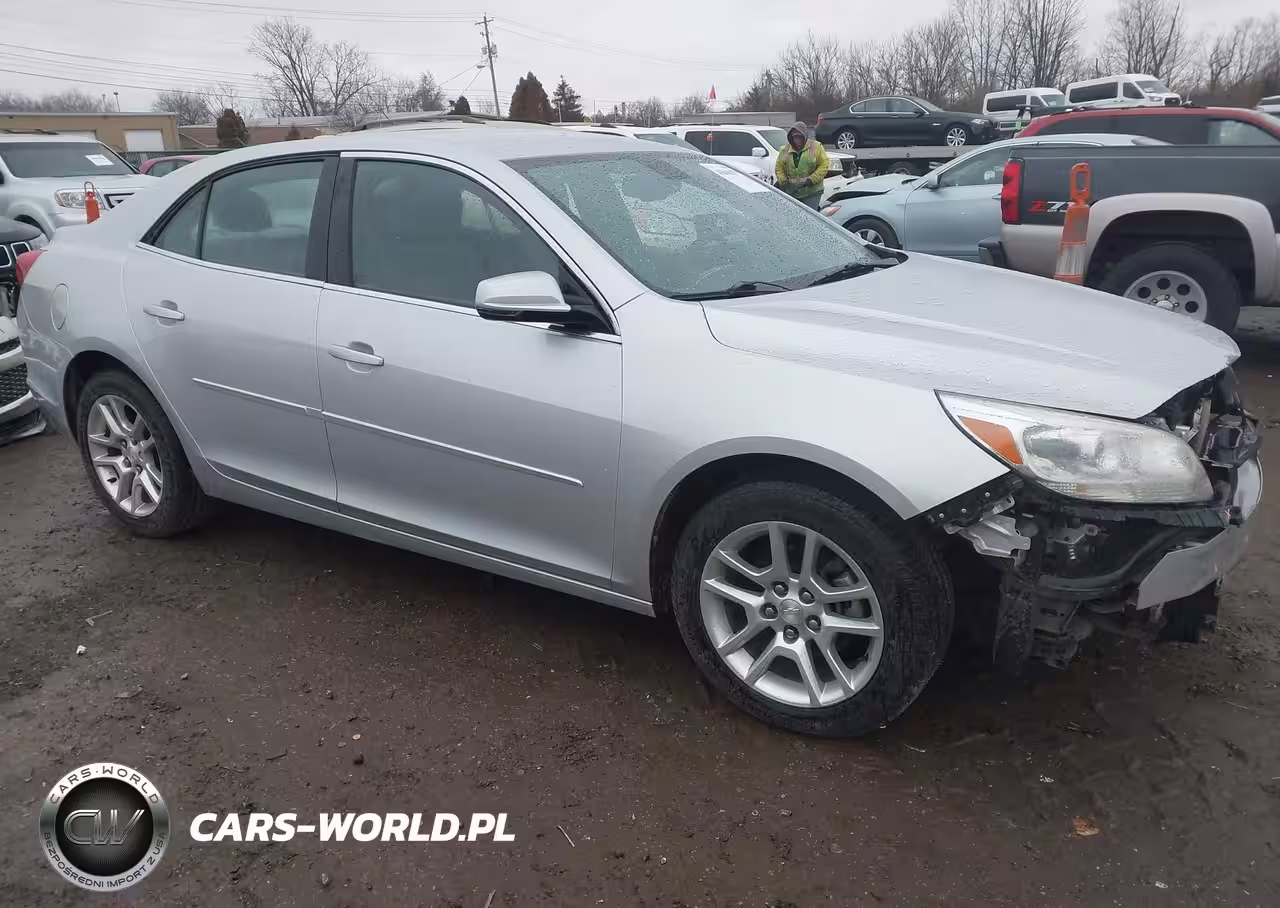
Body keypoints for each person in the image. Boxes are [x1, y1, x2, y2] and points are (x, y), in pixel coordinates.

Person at [774, 121, 829, 210]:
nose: (797, 140)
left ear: (805, 136)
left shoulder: (816, 146)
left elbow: (824, 165)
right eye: (795, 137)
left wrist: (812, 179)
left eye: (800, 137)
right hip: (792, 192)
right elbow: (779, 167)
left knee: (810, 217)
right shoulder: (784, 150)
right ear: (791, 137)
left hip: (812, 192)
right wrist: (782, 180)